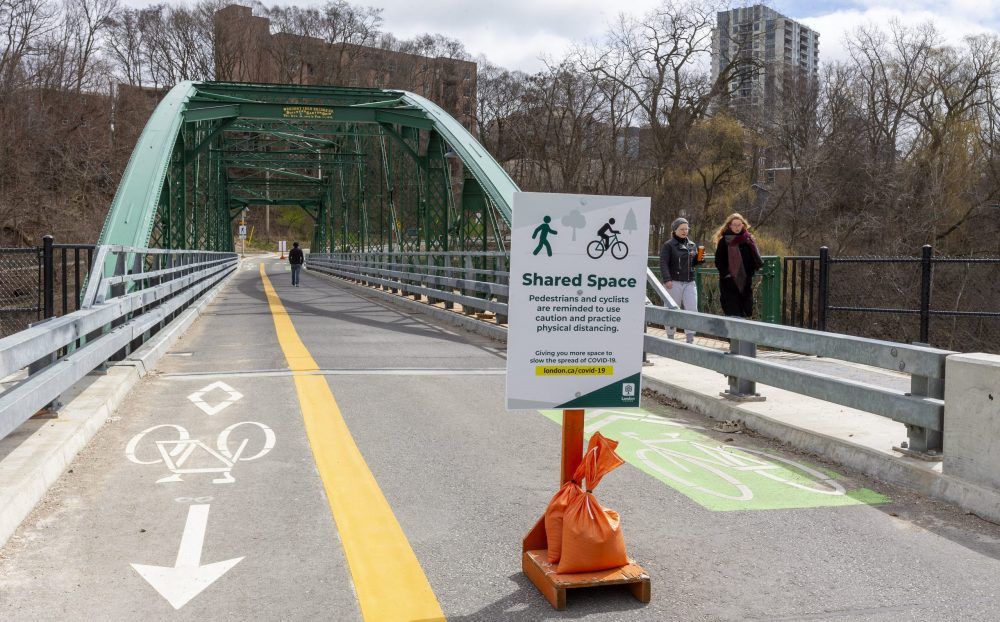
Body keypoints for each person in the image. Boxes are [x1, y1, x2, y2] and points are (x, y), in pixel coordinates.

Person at [659, 218, 704, 343]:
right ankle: (670, 336)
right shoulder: (668, 245)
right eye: (682, 229)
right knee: (672, 309)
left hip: (689, 281)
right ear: (675, 230)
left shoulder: (692, 245)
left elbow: (693, 263)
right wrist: (667, 279)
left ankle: (690, 338)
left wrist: (700, 259)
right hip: (674, 282)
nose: (685, 231)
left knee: (692, 309)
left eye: (686, 229)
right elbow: (663, 263)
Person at [713, 213, 763, 318]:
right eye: (734, 225)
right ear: (729, 226)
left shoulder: (748, 240)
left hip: (745, 282)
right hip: (729, 282)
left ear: (743, 225)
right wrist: (727, 274)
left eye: (739, 225)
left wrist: (750, 273)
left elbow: (754, 259)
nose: (737, 227)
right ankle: (733, 334)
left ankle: (738, 334)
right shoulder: (724, 241)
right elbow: (719, 261)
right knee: (732, 313)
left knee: (744, 312)